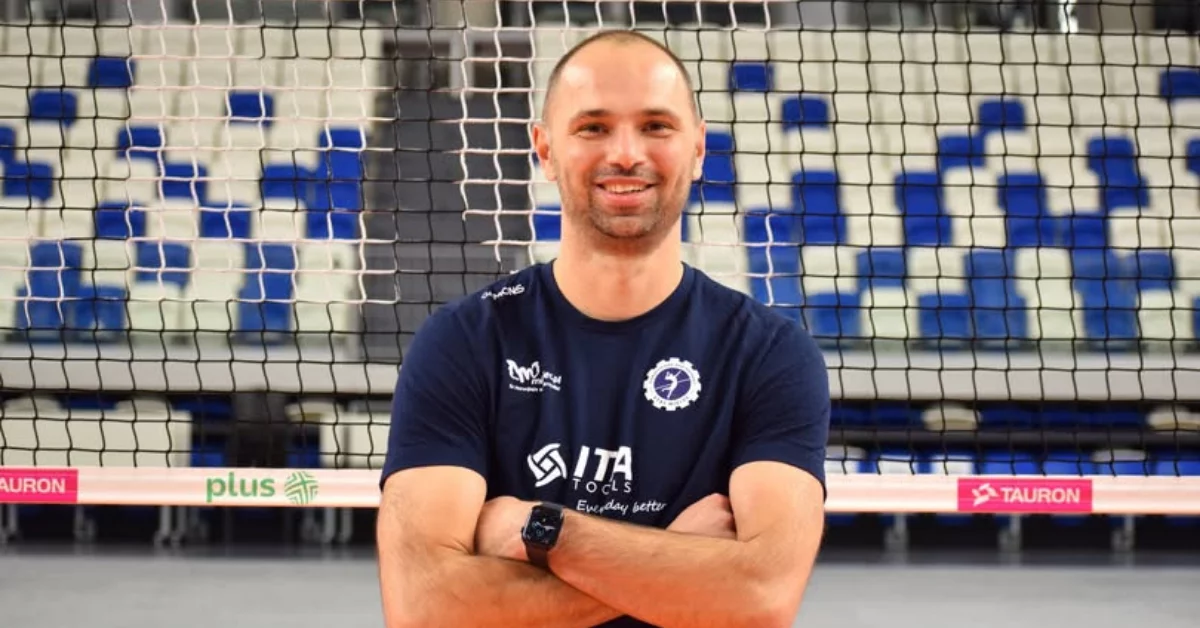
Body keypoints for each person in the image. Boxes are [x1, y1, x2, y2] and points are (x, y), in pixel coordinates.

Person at [376, 29, 830, 628]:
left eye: (656, 126)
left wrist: (541, 530)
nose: (625, 154)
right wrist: (678, 557)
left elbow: (761, 599)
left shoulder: (770, 355)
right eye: (592, 127)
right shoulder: (464, 342)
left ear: (698, 148)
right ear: (544, 150)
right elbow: (425, 609)